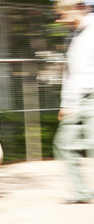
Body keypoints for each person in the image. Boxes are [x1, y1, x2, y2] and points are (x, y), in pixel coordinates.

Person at [53, 0, 94, 204]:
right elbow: (70, 74)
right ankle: (82, 192)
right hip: (77, 101)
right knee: (64, 143)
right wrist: (65, 103)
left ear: (78, 8)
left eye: (62, 14)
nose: (60, 20)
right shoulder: (75, 36)